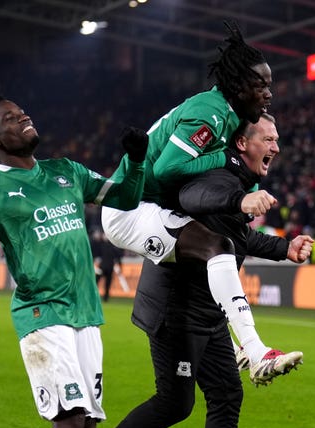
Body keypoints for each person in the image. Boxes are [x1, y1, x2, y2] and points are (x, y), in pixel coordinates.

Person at [101, 21, 302, 386]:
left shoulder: (230, 116)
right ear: (239, 86)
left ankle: (244, 345)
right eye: (261, 85)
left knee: (219, 243)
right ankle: (254, 349)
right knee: (215, 246)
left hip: (154, 205)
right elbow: (164, 171)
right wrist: (224, 162)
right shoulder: (210, 113)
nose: (269, 94)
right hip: (129, 208)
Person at [0, 96, 147, 428]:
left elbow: (125, 197)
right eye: (10, 118)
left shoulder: (67, 171)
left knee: (86, 425)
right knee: (68, 423)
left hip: (85, 310)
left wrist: (136, 159)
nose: (23, 116)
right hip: (42, 313)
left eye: (22, 111)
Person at [108, 114, 314, 428]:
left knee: (227, 396)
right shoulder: (217, 174)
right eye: (268, 139)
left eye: (276, 139)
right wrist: (240, 200)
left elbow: (236, 236)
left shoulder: (240, 180)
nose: (276, 146)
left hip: (209, 312)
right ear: (243, 143)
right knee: (174, 404)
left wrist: (284, 248)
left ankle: (252, 348)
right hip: (176, 312)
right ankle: (255, 348)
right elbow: (191, 197)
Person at [91, 228, 125, 302]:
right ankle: (95, 296)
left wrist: (119, 266)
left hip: (107, 267)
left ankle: (104, 298)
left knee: (106, 284)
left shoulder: (111, 246)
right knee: (98, 282)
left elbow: (118, 257)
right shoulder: (103, 245)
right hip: (103, 267)